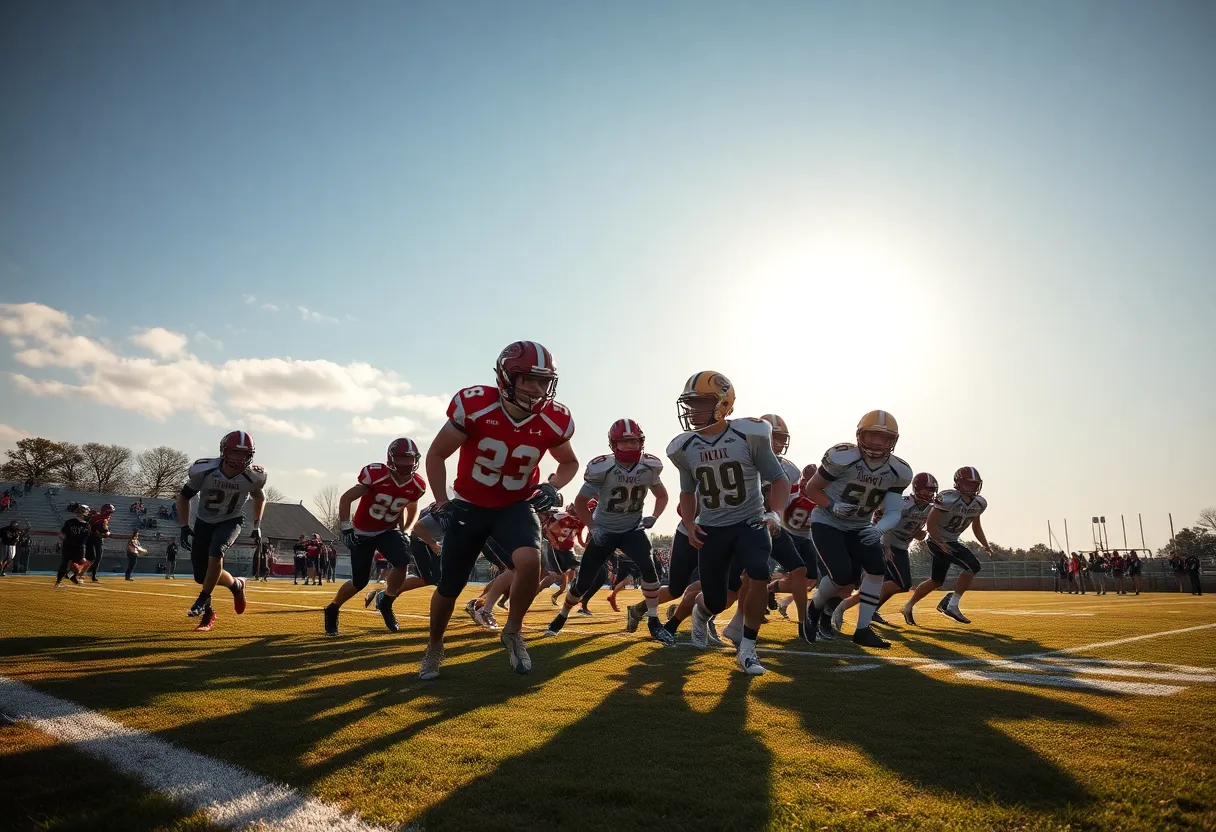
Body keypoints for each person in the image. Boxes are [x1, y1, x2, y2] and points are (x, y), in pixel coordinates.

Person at [419, 340, 578, 680]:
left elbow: (568, 462)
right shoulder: (476, 406)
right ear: (506, 377)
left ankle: (513, 630)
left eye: (543, 380)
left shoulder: (554, 418)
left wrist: (552, 485)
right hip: (470, 504)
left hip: (514, 504)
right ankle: (434, 645)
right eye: (527, 379)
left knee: (530, 562)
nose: (537, 389)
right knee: (450, 585)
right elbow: (435, 454)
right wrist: (442, 501)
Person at [666, 371, 790, 675]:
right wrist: (690, 524)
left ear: (723, 403)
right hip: (712, 527)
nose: (692, 410)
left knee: (759, 573)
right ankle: (700, 612)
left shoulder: (750, 434)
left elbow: (779, 478)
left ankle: (748, 649)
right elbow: (686, 490)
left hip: (750, 521)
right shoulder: (684, 447)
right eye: (690, 403)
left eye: (700, 402)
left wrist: (775, 513)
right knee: (717, 600)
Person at [546, 418, 673, 644]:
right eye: (624, 442)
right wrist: (593, 527)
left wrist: (654, 516)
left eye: (634, 441)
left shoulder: (649, 467)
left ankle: (654, 621)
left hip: (632, 529)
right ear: (613, 444)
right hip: (604, 530)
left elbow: (662, 495)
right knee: (583, 582)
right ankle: (562, 615)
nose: (631, 446)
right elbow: (581, 500)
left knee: (650, 570)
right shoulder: (603, 468)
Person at [802, 411, 912, 648]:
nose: (877, 442)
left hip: (861, 526)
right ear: (860, 435)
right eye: (873, 435)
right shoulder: (843, 457)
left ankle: (862, 629)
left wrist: (879, 529)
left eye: (884, 438)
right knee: (842, 576)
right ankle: (813, 609)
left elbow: (893, 511)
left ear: (893, 441)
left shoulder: (898, 471)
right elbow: (812, 489)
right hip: (828, 521)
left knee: (876, 570)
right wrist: (832, 505)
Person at [327, 438, 427, 636]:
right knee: (359, 582)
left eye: (410, 459)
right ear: (391, 458)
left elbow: (412, 506)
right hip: (362, 531)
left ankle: (386, 602)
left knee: (402, 563)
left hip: (387, 530)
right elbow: (346, 498)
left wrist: (406, 530)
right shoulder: (377, 474)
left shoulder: (417, 484)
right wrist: (346, 527)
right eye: (401, 458)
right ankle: (332, 608)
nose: (407, 463)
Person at [176, 430, 267, 632]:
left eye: (244, 454)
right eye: (235, 453)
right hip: (204, 522)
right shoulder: (204, 470)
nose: (239, 459)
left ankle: (205, 606)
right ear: (224, 451)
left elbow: (259, 497)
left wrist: (257, 524)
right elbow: (183, 497)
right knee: (202, 576)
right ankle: (236, 585)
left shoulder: (253, 476)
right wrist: (184, 526)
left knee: (216, 551)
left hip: (231, 520)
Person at [901, 466, 992, 626]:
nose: (972, 487)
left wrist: (985, 544)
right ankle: (952, 605)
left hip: (950, 542)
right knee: (973, 566)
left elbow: (976, 526)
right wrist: (941, 543)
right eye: (968, 484)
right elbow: (931, 523)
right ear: (958, 483)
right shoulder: (948, 498)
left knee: (936, 580)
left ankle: (908, 606)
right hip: (937, 541)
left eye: (974, 484)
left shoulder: (979, 503)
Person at [57, 504, 92, 586]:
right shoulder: (70, 522)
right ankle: (59, 581)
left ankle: (70, 576)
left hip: (80, 547)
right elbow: (61, 534)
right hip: (69, 546)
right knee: (65, 563)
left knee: (79, 565)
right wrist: (66, 541)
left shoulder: (87, 524)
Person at [84, 503, 115, 582]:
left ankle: (93, 575)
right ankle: (73, 572)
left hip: (98, 539)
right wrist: (106, 533)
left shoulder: (101, 518)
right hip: (91, 538)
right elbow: (99, 530)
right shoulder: (97, 518)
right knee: (91, 558)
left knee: (97, 558)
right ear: (104, 511)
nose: (110, 514)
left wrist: (106, 532)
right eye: (109, 512)